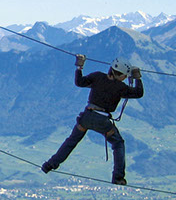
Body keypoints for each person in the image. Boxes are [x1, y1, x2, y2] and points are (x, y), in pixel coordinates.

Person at [41, 55, 143, 185]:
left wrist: (79, 67)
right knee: (118, 144)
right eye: (125, 76)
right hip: (103, 121)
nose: (125, 78)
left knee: (71, 141)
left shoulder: (97, 76)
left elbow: (79, 82)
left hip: (87, 116)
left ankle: (49, 165)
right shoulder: (121, 87)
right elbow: (139, 93)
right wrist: (137, 77)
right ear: (122, 74)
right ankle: (118, 177)